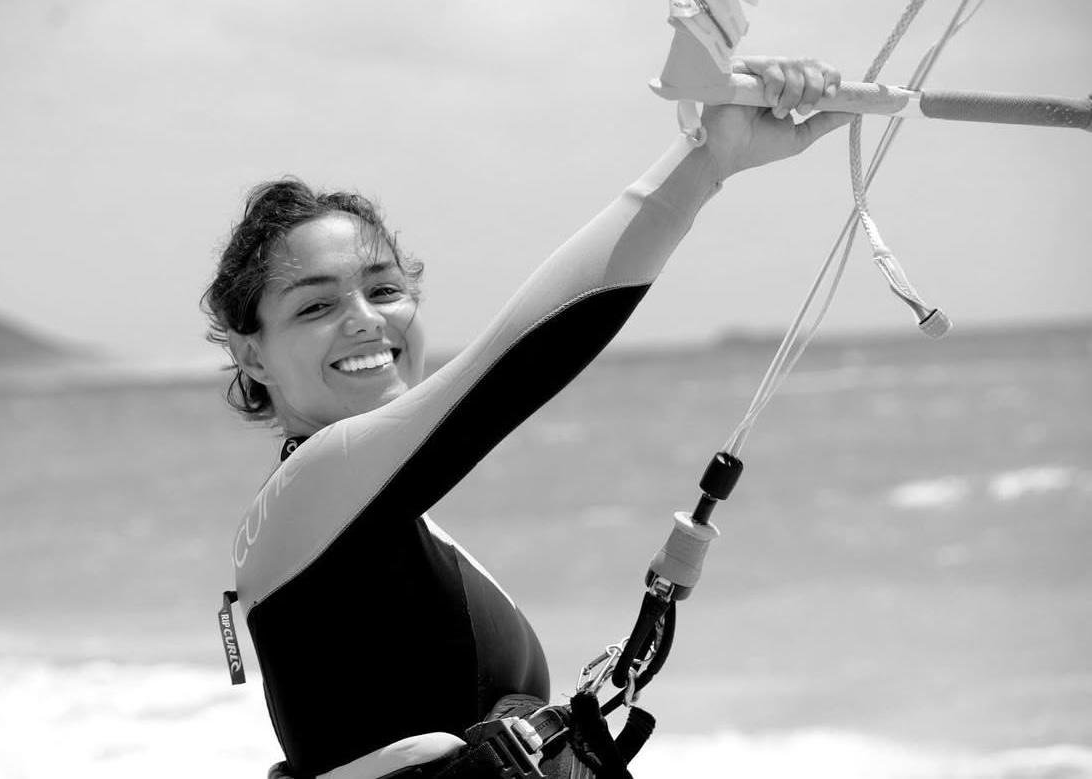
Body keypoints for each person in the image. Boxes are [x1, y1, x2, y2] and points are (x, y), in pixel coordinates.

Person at [205, 56, 850, 778]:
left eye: (384, 289)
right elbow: (529, 351)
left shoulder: (373, 521)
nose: (365, 321)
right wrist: (704, 162)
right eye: (316, 305)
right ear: (250, 354)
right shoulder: (313, 490)